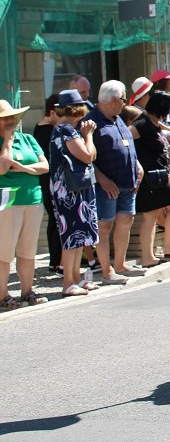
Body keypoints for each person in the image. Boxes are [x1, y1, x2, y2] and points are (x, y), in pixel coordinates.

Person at [85, 80, 143, 284]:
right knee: (105, 225)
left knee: (126, 220)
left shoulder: (118, 118)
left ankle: (120, 264)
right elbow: (85, 158)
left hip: (127, 181)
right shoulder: (90, 122)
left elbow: (127, 145)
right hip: (105, 185)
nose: (125, 103)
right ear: (112, 100)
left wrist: (138, 167)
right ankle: (106, 270)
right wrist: (102, 179)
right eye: (123, 99)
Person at [0, 99, 49, 309]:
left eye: (12, 117)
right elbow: (2, 168)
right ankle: (2, 295)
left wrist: (21, 168)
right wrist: (8, 142)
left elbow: (45, 166)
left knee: (28, 251)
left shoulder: (28, 139)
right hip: (8, 200)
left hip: (33, 198)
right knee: (4, 251)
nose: (10, 121)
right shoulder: (5, 143)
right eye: (4, 118)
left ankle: (27, 291)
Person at [130, 90, 170, 266]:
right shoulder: (141, 124)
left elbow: (160, 151)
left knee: (153, 215)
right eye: (168, 110)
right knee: (169, 208)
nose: (169, 114)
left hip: (157, 176)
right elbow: (125, 140)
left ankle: (156, 252)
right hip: (150, 177)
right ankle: (163, 249)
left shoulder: (153, 123)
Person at [51, 90, 99, 297]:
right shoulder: (67, 131)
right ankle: (68, 282)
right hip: (69, 191)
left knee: (79, 235)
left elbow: (90, 155)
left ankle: (76, 278)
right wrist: (88, 135)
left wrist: (87, 137)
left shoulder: (65, 129)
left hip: (74, 188)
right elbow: (88, 156)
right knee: (72, 234)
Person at [33, 94, 62, 273]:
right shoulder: (46, 130)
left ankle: (55, 260)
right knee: (57, 219)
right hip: (50, 181)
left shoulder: (46, 128)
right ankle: (57, 260)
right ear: (52, 112)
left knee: (55, 220)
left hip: (50, 181)